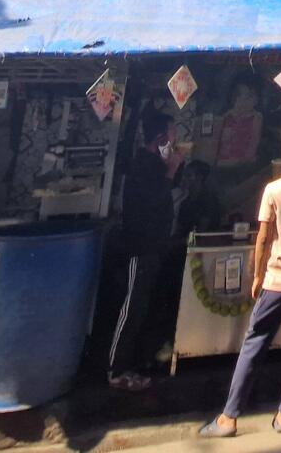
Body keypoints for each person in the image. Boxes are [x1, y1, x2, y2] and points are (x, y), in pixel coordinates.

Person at [199, 130, 281, 438]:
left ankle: (229, 417)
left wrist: (257, 275)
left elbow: (262, 238)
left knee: (254, 345)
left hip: (277, 280)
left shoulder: (274, 190)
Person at [108, 110, 183, 390]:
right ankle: (116, 369)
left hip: (154, 246)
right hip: (141, 246)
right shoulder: (144, 166)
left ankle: (137, 360)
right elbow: (153, 202)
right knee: (132, 306)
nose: (175, 141)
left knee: (143, 306)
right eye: (173, 135)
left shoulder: (152, 164)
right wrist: (172, 170)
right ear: (162, 138)